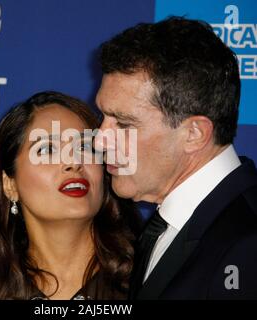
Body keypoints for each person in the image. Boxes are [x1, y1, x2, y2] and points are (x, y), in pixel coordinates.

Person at [94, 17, 257, 299]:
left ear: (194, 134)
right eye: (103, 117)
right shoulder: (163, 224)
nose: (99, 140)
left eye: (123, 124)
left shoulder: (248, 242)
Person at [0, 91, 139, 300]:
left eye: (85, 147)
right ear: (9, 184)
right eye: (47, 149)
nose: (73, 162)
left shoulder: (149, 278)